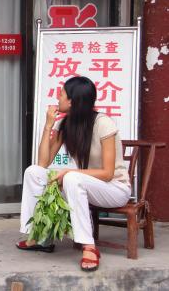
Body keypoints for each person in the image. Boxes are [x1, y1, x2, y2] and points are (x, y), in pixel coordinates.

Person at [16, 76, 131, 272]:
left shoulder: (103, 124)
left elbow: (108, 173)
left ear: (72, 101)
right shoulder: (66, 124)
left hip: (115, 189)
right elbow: (43, 163)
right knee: (33, 172)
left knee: (71, 177)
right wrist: (48, 125)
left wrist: (70, 171)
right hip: (82, 184)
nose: (57, 98)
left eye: (61, 94)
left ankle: (89, 246)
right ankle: (40, 236)